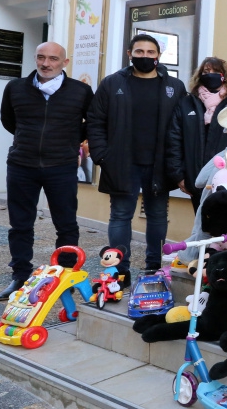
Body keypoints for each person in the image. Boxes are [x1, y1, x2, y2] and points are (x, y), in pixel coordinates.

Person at [0, 42, 93, 300]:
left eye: (53, 58)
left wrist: (68, 141)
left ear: (64, 62)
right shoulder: (16, 88)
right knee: (20, 224)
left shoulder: (81, 91)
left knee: (66, 224)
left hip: (60, 166)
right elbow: (9, 120)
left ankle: (66, 274)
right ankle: (19, 276)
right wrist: (28, 139)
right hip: (21, 165)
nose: (46, 63)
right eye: (41, 57)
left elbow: (90, 124)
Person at [87, 34, 186, 284]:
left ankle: (154, 267)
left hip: (159, 163)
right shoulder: (112, 84)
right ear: (129, 54)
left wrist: (178, 162)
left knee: (157, 215)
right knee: (120, 215)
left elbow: (182, 126)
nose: (144, 56)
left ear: (158, 56)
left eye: (150, 52)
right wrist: (101, 155)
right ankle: (120, 270)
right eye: (139, 52)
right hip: (121, 162)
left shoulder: (174, 86)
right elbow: (96, 121)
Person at [166, 57, 227, 214]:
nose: (210, 75)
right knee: (203, 224)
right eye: (206, 72)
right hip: (195, 178)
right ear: (200, 75)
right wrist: (178, 176)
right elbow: (174, 141)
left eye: (216, 72)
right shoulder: (187, 103)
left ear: (224, 75)